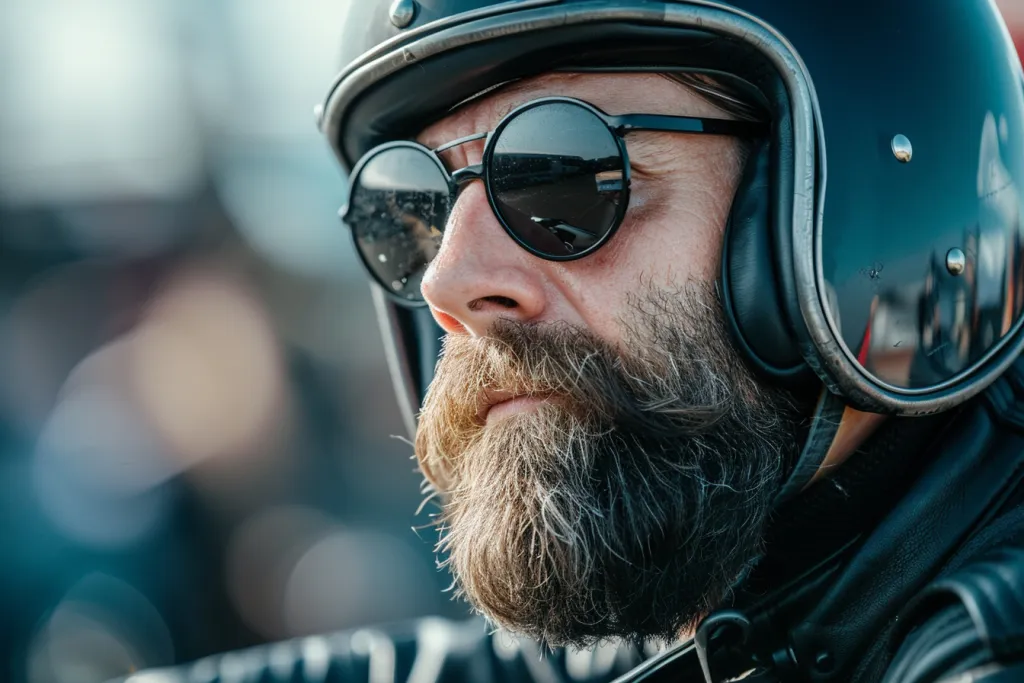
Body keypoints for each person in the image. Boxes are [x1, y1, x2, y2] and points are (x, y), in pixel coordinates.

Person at [121, 0, 1024, 681]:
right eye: (414, 205)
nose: (447, 280)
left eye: (561, 177)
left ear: (854, 209)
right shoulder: (753, 583)